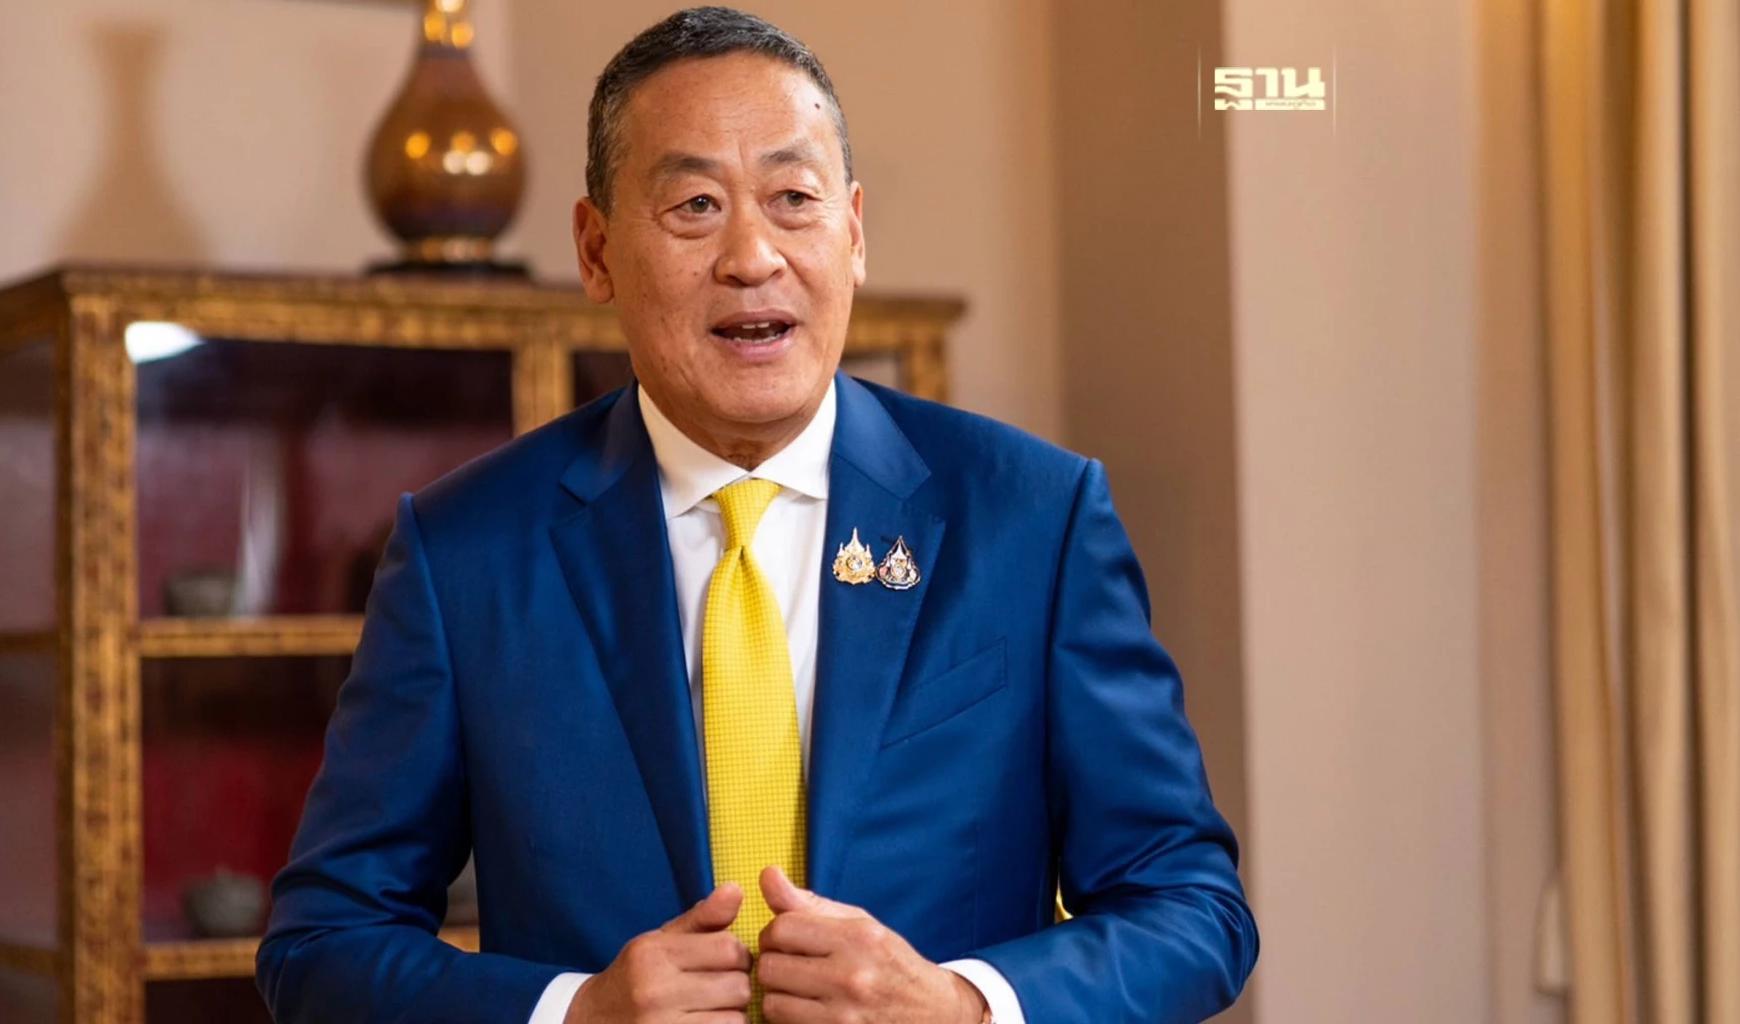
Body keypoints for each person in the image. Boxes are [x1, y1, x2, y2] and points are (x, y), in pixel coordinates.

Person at [256, 7, 1257, 1023]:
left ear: (853, 233)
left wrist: (962, 1004)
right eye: (694, 204)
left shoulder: (1032, 520)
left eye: (793, 199)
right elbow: (323, 944)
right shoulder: (466, 551)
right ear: (596, 252)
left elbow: (1191, 908)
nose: (752, 256)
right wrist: (573, 1012)